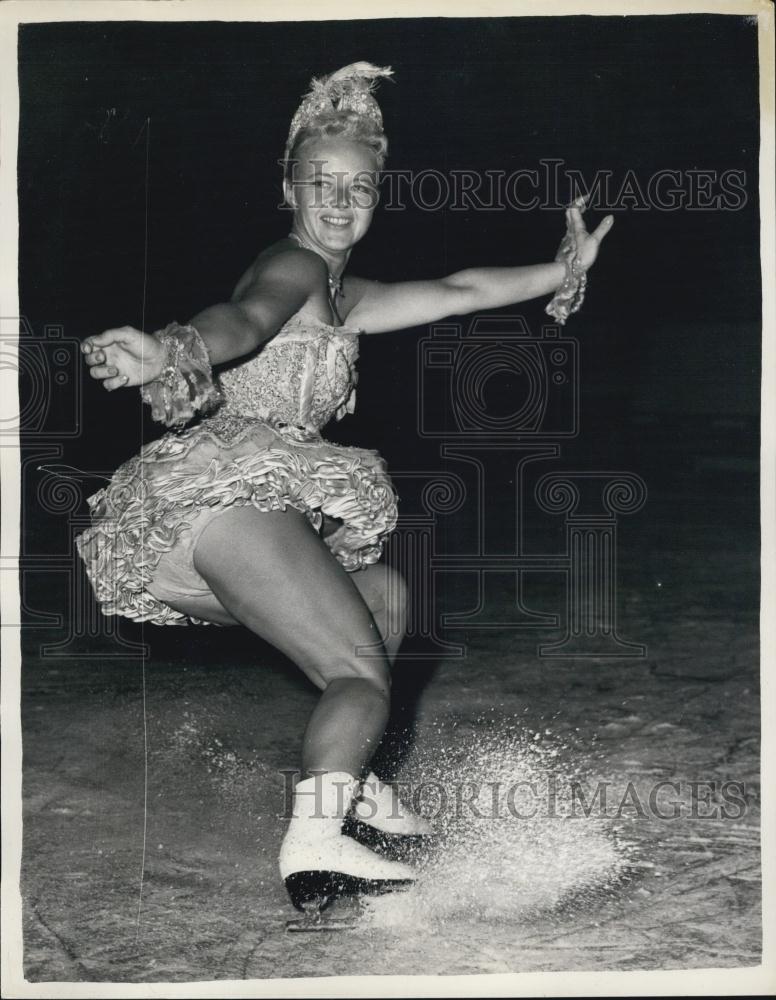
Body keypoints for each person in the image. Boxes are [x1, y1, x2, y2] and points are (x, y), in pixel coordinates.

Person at [77, 62, 613, 911]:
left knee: (386, 599)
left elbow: (456, 292)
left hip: (223, 526)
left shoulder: (342, 290)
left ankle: (351, 785)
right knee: (360, 670)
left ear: (377, 197)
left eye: (358, 188)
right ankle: (316, 840)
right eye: (320, 183)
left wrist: (560, 270)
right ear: (286, 186)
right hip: (224, 501)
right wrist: (172, 348)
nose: (338, 201)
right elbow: (246, 317)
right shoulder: (291, 265)